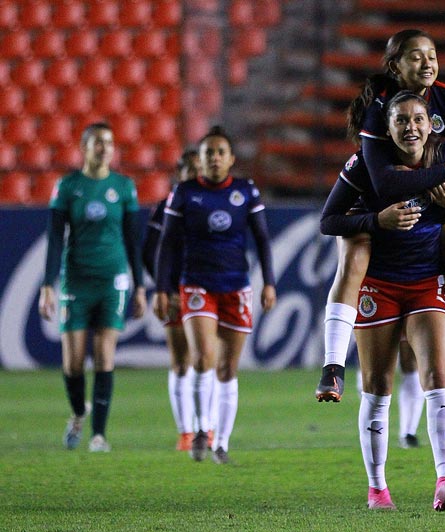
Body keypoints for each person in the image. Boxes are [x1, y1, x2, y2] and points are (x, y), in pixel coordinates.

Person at [316, 28, 445, 409]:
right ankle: (333, 365)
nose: (427, 63)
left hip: (432, 203)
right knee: (353, 258)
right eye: (416, 56)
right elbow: (385, 183)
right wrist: (443, 173)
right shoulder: (379, 107)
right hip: (375, 205)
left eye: (432, 55)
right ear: (395, 66)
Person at [320, 91, 445, 511]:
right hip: (379, 285)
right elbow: (328, 220)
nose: (411, 127)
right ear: (386, 129)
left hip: (425, 281)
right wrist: (376, 220)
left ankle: (443, 481)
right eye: (401, 120)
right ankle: (377, 489)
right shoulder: (369, 167)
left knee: (439, 377)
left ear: (431, 123)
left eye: (418, 118)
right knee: (377, 387)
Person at [154, 126, 277, 464]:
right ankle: (200, 430)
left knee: (227, 368)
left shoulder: (245, 191)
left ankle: (221, 442)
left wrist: (269, 281)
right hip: (196, 284)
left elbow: (263, 239)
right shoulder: (184, 192)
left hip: (236, 285)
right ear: (201, 158)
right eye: (208, 152)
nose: (214, 158)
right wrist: (162, 288)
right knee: (202, 358)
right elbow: (166, 243)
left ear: (231, 158)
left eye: (220, 152)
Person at [38, 122, 147, 452]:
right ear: (84, 147)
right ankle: (77, 413)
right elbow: (56, 237)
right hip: (76, 279)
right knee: (72, 363)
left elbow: (132, 239)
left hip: (113, 280)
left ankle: (99, 435)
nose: (105, 148)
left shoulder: (124, 187)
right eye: (98, 143)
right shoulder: (68, 187)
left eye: (110, 143)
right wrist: (47, 285)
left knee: (104, 357)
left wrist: (140, 286)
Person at [142, 149, 214, 452]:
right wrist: (164, 289)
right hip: (175, 292)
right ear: (180, 174)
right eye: (191, 170)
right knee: (182, 361)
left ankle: (206, 428)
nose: (197, 175)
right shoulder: (166, 207)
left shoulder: (210, 205)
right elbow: (151, 252)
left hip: (207, 291)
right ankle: (186, 431)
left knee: (206, 359)